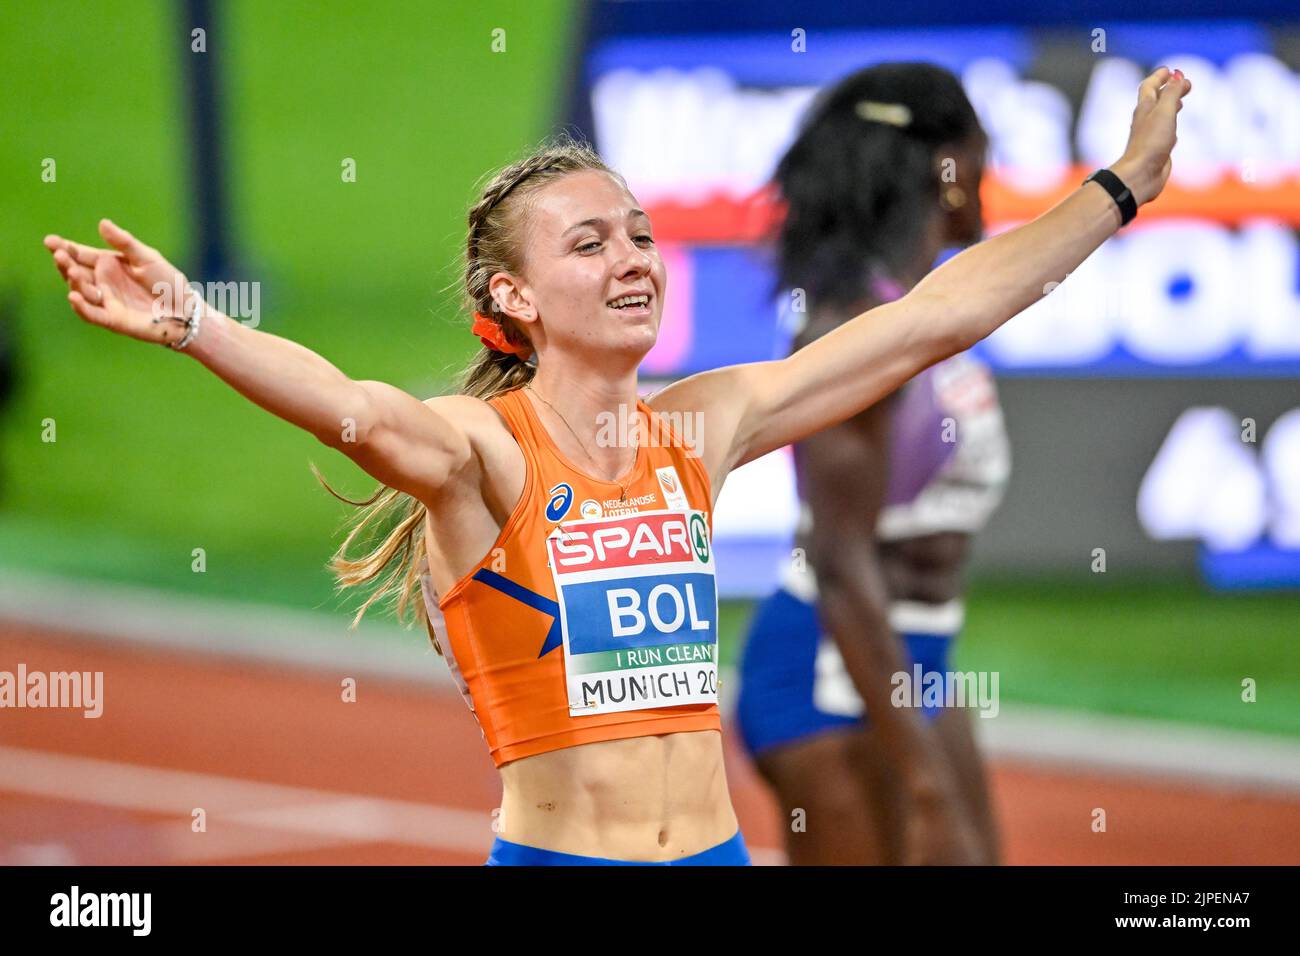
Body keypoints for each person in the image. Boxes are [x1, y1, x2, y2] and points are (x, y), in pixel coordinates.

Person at [43, 66, 1190, 865]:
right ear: (515, 299)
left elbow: (934, 316)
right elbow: (350, 407)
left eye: (638, 233)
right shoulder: (482, 451)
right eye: (587, 244)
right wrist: (197, 322)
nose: (631, 258)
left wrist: (1125, 182)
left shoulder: (701, 427)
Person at [736, 63, 1011, 866]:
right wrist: (924, 787)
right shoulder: (852, 330)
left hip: (921, 660)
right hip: (831, 673)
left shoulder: (917, 305)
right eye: (983, 153)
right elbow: (840, 559)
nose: (993, 176)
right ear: (946, 168)